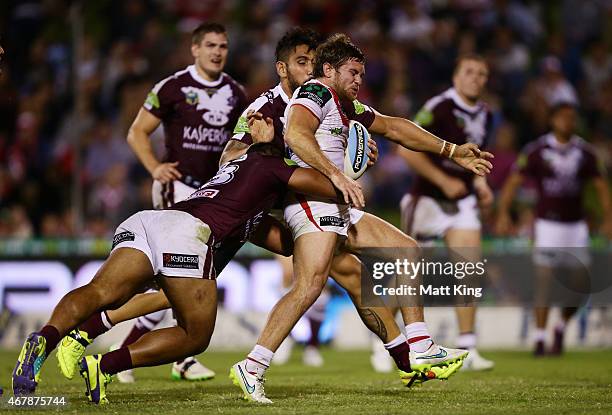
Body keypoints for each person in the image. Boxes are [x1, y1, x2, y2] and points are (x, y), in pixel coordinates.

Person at [229, 34, 493, 404]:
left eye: (362, 75)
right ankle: (253, 365)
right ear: (329, 70)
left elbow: (393, 127)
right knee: (309, 286)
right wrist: (337, 175)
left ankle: (419, 346)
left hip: (336, 203)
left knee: (405, 250)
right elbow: (297, 135)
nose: (358, 81)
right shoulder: (315, 94)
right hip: (311, 201)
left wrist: (450, 150)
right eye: (353, 73)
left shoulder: (342, 103)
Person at [11, 121, 352, 405]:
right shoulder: (272, 166)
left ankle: (44, 339)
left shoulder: (242, 180)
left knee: (101, 291)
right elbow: (330, 187)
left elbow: (286, 244)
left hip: (151, 221)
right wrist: (350, 165)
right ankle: (106, 364)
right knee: (195, 336)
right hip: (186, 236)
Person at [59, 22, 248, 383]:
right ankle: (103, 341)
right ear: (194, 49)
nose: (217, 51)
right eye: (210, 45)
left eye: (223, 45)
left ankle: (154, 352)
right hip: (177, 193)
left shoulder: (236, 94)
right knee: (171, 287)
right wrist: (155, 167)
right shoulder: (173, 87)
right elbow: (136, 132)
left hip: (213, 199)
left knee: (185, 289)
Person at [397, 54, 495, 371]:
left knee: (469, 269)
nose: (476, 78)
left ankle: (468, 346)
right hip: (426, 199)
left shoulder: (485, 113)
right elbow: (405, 149)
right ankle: (389, 339)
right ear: (456, 76)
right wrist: (442, 179)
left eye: (482, 73)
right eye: (470, 71)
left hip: (461, 201)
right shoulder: (438, 107)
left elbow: (476, 158)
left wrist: (480, 184)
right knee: (408, 272)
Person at [495, 103, 612, 356]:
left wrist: (608, 217)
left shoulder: (585, 153)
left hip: (576, 225)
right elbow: (514, 181)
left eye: (571, 118)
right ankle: (539, 337)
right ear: (552, 120)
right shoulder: (537, 151)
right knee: (544, 279)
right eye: (562, 117)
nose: (567, 122)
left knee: (582, 282)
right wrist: (504, 212)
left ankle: (560, 325)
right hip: (547, 224)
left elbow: (602, 186)